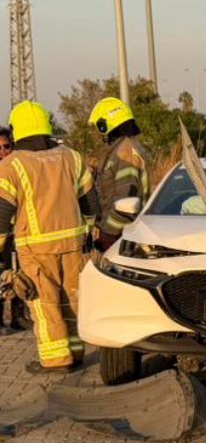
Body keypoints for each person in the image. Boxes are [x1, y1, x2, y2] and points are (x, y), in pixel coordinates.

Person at [0, 101, 98, 373]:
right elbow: (90, 201)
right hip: (74, 244)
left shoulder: (11, 165)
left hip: (35, 248)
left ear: (17, 130)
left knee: (45, 304)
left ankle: (56, 360)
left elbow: (2, 215)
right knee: (71, 300)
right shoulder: (72, 157)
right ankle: (76, 353)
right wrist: (91, 233)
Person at [87, 97, 149, 252]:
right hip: (122, 232)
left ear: (104, 125)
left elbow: (126, 199)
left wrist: (108, 232)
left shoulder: (125, 153)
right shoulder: (121, 149)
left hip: (123, 235)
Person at [0, 128, 26, 331]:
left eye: (6, 146)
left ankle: (18, 316)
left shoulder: (19, 169)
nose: (2, 151)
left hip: (18, 230)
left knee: (19, 272)